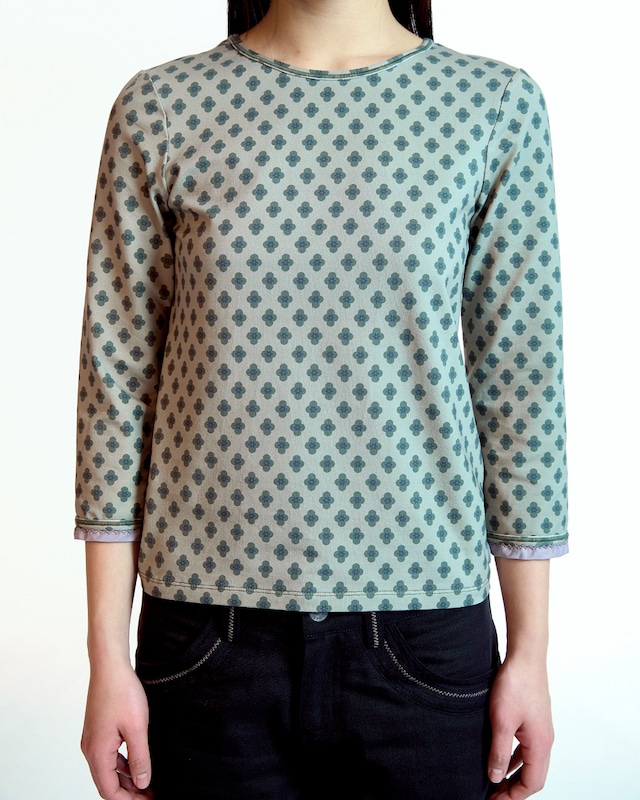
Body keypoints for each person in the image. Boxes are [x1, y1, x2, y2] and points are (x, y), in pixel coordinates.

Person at [76, 1, 568, 798]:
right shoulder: (161, 107)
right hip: (205, 640)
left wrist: (531, 655)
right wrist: (105, 659)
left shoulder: (493, 108)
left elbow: (520, 386)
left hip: (425, 640)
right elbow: (118, 384)